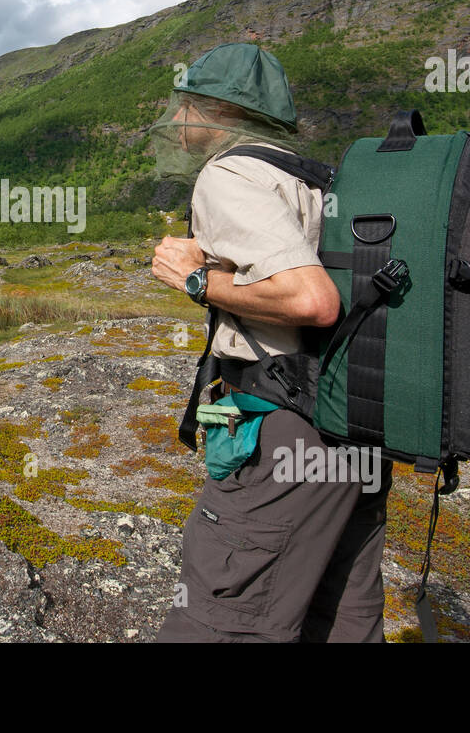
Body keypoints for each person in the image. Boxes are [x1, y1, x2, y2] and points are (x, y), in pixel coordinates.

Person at [148, 42, 394, 642]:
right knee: (340, 613)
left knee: (222, 613)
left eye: (185, 104)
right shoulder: (307, 176)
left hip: (287, 427)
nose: (177, 118)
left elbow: (310, 299)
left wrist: (196, 280)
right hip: (353, 420)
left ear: (213, 109)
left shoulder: (229, 174)